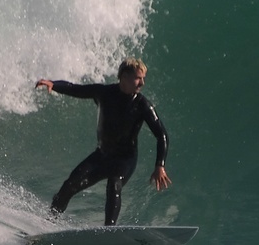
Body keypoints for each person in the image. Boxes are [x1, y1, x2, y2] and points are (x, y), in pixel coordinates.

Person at [35, 57, 171, 226]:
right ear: (124, 77)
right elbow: (76, 89)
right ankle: (47, 223)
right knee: (70, 184)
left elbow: (161, 134)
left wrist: (160, 165)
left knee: (114, 184)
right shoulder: (105, 93)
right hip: (102, 155)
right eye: (138, 78)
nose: (142, 83)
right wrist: (54, 84)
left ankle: (108, 231)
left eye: (143, 78)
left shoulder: (143, 105)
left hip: (125, 159)